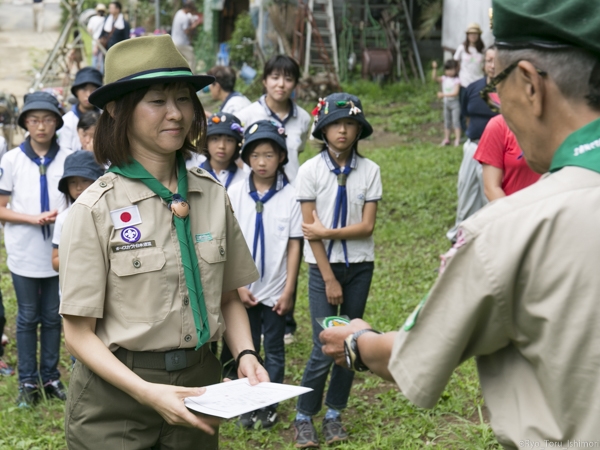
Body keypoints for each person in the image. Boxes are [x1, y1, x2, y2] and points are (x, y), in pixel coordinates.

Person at [320, 0, 600, 447]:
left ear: (529, 84)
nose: (497, 103)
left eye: (495, 85)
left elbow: (413, 354)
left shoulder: (511, 230)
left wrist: (357, 340)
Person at [58, 35, 268, 449]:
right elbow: (78, 333)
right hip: (115, 398)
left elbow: (228, 296)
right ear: (119, 110)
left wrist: (245, 354)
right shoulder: (95, 208)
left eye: (184, 99)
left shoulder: (211, 194)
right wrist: (148, 392)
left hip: (199, 387)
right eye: (157, 100)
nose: (176, 113)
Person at [292, 93, 381, 448]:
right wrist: (328, 278)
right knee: (322, 344)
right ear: (323, 130)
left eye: (350, 124)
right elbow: (308, 231)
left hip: (359, 267)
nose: (342, 131)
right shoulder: (309, 171)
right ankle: (303, 415)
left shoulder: (370, 170)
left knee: (351, 343)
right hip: (322, 269)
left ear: (359, 129)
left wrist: (329, 233)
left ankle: (333, 414)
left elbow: (367, 227)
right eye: (335, 124)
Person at [228, 120, 302, 429]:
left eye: (269, 155)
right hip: (244, 290)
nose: (261, 162)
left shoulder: (292, 196)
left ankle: (268, 404)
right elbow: (228, 239)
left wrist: (288, 290)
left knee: (273, 348)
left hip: (275, 290)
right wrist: (237, 286)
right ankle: (247, 403)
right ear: (245, 157)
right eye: (255, 155)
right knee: (247, 349)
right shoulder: (234, 191)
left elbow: (295, 245)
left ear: (282, 156)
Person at [0, 92, 69, 407]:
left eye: (48, 119)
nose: (41, 126)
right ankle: (28, 381)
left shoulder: (69, 157)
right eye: (34, 119)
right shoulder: (11, 159)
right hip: (24, 250)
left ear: (57, 121)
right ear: (25, 122)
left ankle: (51, 376)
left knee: (54, 316)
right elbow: (1, 207)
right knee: (27, 316)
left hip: (59, 251)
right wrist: (32, 218)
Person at [446, 45, 498, 242]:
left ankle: (491, 238)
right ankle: (460, 240)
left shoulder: (510, 91)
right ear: (484, 64)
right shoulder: (473, 88)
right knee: (466, 193)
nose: (492, 65)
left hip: (497, 154)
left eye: (496, 60)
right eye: (489, 60)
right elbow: (468, 116)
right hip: (473, 147)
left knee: (491, 198)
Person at [236, 55, 311, 183]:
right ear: (265, 81)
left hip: (292, 192)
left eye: (288, 79)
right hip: (255, 191)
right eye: (275, 78)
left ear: (295, 84)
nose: (281, 84)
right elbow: (234, 154)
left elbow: (296, 153)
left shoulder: (303, 118)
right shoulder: (245, 116)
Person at [52, 151, 104, 272]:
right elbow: (55, 261)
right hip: (74, 285)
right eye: (72, 182)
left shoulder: (109, 214)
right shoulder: (63, 219)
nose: (78, 187)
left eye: (85, 180)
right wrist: (79, 257)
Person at [474, 115, 541, 201]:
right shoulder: (498, 125)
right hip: (515, 209)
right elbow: (491, 188)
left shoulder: (556, 122)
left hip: (555, 208)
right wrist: (515, 213)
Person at [58, 67, 103, 154]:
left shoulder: (107, 118)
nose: (88, 94)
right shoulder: (67, 122)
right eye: (84, 89)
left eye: (93, 90)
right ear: (76, 91)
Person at [201, 113, 245, 189]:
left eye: (229, 140)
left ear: (238, 145)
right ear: (206, 142)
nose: (222, 146)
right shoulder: (192, 175)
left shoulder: (244, 179)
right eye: (215, 139)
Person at [454, 23, 485, 131]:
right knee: (464, 108)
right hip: (464, 83)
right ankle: (464, 130)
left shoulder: (482, 50)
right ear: (467, 35)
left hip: (478, 83)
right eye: (471, 34)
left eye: (475, 34)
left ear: (479, 35)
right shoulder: (462, 48)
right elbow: (455, 63)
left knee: (476, 107)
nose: (473, 36)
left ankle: (476, 129)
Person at [432, 59, 462, 147]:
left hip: (455, 104)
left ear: (456, 70)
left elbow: (456, 93)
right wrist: (434, 68)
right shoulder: (444, 78)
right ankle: (446, 139)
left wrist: (443, 94)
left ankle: (457, 140)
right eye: (447, 69)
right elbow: (434, 78)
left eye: (451, 69)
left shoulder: (457, 80)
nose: (449, 72)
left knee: (456, 121)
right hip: (446, 104)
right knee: (447, 122)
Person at [171, 0, 202, 73]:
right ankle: (191, 77)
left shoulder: (179, 12)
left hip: (175, 41)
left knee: (180, 61)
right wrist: (194, 25)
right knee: (192, 59)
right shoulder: (184, 17)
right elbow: (186, 31)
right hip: (182, 43)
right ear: (188, 8)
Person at [87, 4, 107, 73]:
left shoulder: (93, 19)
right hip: (103, 42)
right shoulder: (105, 19)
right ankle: (100, 75)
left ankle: (94, 74)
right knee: (101, 60)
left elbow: (89, 30)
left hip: (95, 41)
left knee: (95, 59)